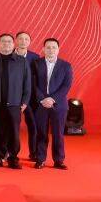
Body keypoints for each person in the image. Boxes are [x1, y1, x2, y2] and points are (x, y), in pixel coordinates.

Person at [0, 33, 31, 169]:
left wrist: (25, 101)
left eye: (9, 42)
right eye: (3, 41)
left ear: (13, 44)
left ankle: (13, 158)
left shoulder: (22, 61)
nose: (6, 44)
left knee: (14, 132)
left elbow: (27, 83)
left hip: (14, 103)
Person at [30, 38, 72, 169]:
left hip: (58, 105)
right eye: (48, 47)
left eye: (54, 47)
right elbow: (33, 84)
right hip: (41, 104)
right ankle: (40, 159)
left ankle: (59, 160)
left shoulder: (66, 66)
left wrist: (52, 99)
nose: (51, 50)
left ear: (58, 49)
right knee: (41, 132)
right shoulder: (36, 64)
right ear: (43, 49)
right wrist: (42, 99)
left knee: (58, 133)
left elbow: (66, 86)